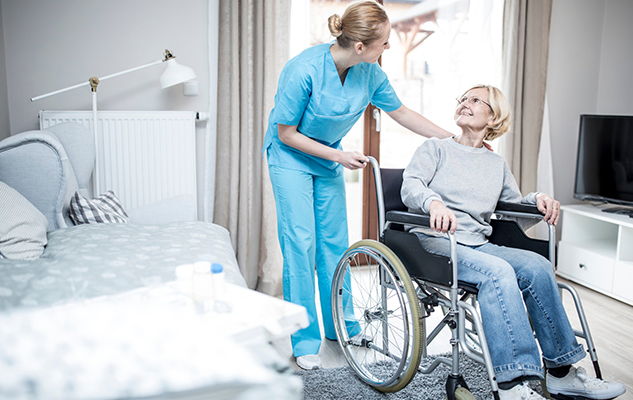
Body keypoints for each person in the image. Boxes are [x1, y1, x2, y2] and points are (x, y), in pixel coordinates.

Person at [401, 84, 626, 400]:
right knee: (498, 272)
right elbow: (411, 185)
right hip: (435, 243)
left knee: (537, 265)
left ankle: (561, 372)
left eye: (475, 100)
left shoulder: (496, 164)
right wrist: (433, 203)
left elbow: (513, 209)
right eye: (463, 99)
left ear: (493, 118)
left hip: (477, 244)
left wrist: (538, 201)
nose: (465, 103)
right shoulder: (436, 149)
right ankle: (511, 383)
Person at [262, 1, 452, 371]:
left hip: (328, 157)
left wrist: (452, 141)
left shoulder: (370, 73)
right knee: (300, 245)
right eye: (384, 43)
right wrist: (338, 157)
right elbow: (286, 134)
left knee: (334, 243)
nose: (389, 48)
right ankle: (304, 339)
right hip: (290, 158)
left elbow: (403, 114)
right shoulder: (303, 69)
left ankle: (343, 326)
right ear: (361, 46)